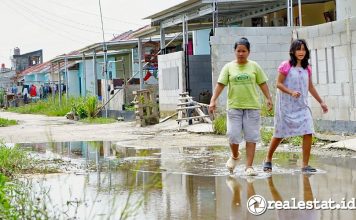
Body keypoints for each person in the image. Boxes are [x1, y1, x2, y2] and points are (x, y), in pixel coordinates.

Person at [209, 37, 273, 176]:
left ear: (248, 52)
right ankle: (235, 155)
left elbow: (262, 83)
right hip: (234, 106)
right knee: (233, 135)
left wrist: (268, 98)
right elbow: (220, 84)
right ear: (235, 51)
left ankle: (249, 167)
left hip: (252, 106)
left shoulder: (254, 66)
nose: (241, 53)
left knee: (251, 137)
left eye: (244, 51)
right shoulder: (228, 67)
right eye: (238, 51)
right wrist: (213, 100)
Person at [263, 39, 328, 173]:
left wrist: (321, 102)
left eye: (303, 49)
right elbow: (278, 84)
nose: (301, 52)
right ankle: (268, 159)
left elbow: (310, 87)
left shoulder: (307, 68)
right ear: (292, 51)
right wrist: (291, 92)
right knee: (280, 133)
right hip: (286, 107)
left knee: (308, 131)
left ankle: (305, 164)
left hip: (301, 106)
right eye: (298, 49)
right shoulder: (285, 65)